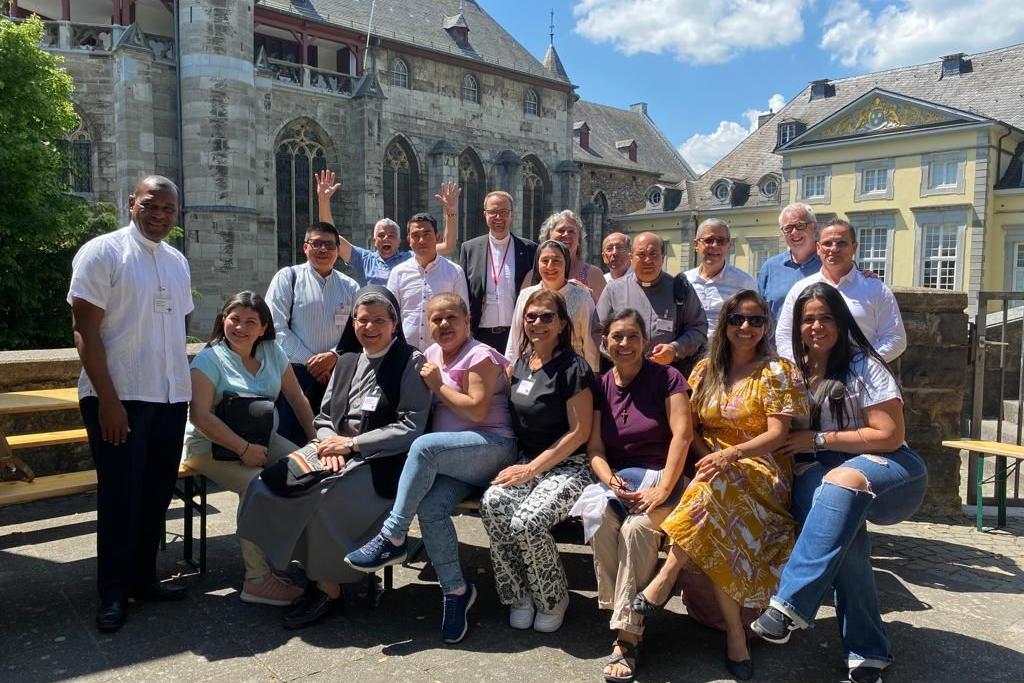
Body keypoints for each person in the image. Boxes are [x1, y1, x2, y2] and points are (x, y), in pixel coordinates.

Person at [751, 283, 927, 683]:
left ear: (841, 321)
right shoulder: (793, 371)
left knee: (841, 480)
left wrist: (818, 439)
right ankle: (867, 653)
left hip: (891, 469)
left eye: (825, 317)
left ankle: (790, 604)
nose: (816, 326)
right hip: (822, 471)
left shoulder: (865, 366)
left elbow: (890, 435)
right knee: (846, 543)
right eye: (808, 319)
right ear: (796, 327)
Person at [632, 290, 808, 681]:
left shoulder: (777, 371)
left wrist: (730, 456)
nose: (746, 327)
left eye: (756, 320)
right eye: (737, 319)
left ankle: (662, 581)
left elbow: (778, 434)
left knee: (716, 488)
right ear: (725, 323)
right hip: (713, 471)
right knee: (717, 506)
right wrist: (708, 455)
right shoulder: (705, 369)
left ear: (765, 326)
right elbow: (691, 428)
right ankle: (736, 637)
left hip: (761, 469)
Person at [237, 287, 431, 630]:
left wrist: (352, 445)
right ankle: (290, 566)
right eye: (362, 319)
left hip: (380, 459)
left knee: (323, 500)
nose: (369, 327)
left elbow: (412, 426)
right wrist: (328, 444)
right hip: (332, 448)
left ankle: (328, 587)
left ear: (394, 324)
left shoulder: (410, 361)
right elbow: (323, 418)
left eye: (378, 321)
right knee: (266, 484)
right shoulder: (346, 361)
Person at [344, 293, 517, 644]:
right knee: (430, 507)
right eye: (435, 319)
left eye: (451, 317)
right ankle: (455, 591)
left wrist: (438, 384)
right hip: (451, 460)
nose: (443, 325)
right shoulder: (431, 356)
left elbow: (477, 412)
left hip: (492, 450)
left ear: (467, 321)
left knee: (424, 447)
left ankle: (392, 535)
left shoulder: (480, 356)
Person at [68, 175, 193, 632]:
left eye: (168, 209)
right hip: (119, 398)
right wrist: (108, 400)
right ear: (131, 203)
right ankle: (113, 593)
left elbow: (176, 329)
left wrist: (182, 391)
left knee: (156, 496)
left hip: (168, 396)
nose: (159, 215)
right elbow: (84, 330)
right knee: (120, 497)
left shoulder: (178, 261)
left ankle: (144, 579)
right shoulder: (103, 252)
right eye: (150, 205)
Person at [184, 292, 316, 607]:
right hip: (210, 446)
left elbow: (297, 399)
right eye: (234, 319)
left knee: (309, 470)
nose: (240, 327)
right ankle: (256, 579)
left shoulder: (273, 351)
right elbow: (199, 416)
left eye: (250, 322)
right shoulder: (208, 360)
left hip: (263, 439)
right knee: (256, 484)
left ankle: (305, 557)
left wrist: (316, 441)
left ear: (263, 327)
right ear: (223, 321)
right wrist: (242, 449)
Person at [583, 309, 692, 683]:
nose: (624, 344)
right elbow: (595, 447)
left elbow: (683, 435)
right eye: (617, 337)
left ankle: (627, 637)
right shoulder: (600, 385)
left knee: (637, 531)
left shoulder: (668, 378)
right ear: (605, 342)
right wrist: (609, 479)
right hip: (621, 483)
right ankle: (626, 616)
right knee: (599, 522)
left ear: (645, 341)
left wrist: (662, 489)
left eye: (632, 336)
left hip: (665, 480)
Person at [479, 289, 595, 634]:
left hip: (570, 465)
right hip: (528, 462)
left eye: (547, 317)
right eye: (531, 317)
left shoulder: (574, 368)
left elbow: (579, 432)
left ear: (562, 324)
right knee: (493, 503)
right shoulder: (520, 363)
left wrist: (532, 469)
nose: (538, 323)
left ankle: (551, 597)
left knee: (527, 523)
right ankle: (519, 595)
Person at [265, 222, 359, 444]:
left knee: (334, 440)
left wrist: (334, 357)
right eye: (316, 243)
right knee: (292, 439)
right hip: (295, 375)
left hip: (338, 376)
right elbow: (276, 328)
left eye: (329, 245)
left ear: (338, 249)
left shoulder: (351, 287)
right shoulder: (288, 278)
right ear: (305, 247)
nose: (323, 250)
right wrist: (313, 362)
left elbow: (358, 332)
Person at [775, 218, 906, 363]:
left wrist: (862, 365)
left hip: (862, 380)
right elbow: (784, 335)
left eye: (841, 243)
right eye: (827, 244)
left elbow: (896, 338)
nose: (834, 249)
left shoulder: (875, 289)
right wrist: (800, 365)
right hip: (814, 379)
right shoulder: (800, 289)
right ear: (818, 248)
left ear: (854, 247)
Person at [315, 169, 460, 285]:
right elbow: (331, 237)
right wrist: (323, 200)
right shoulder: (363, 259)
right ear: (373, 241)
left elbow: (448, 246)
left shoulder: (411, 257)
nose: (386, 239)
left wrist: (451, 211)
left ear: (400, 241)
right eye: (381, 235)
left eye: (391, 236)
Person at [596, 232, 707, 376]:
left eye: (654, 254)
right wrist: (620, 355)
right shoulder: (614, 290)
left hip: (667, 375)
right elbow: (597, 330)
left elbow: (698, 328)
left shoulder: (680, 289)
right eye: (641, 255)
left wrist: (675, 348)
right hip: (624, 375)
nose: (647, 260)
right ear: (631, 257)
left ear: (663, 257)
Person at [458, 190, 538, 352]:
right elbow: (464, 292)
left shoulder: (529, 249)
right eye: (493, 212)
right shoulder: (470, 248)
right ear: (485, 214)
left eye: (504, 212)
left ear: (512, 215)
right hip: (481, 335)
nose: (498, 217)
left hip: (518, 333)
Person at [505, 240, 600, 370]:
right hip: (532, 368)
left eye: (556, 261)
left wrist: (592, 372)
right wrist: (511, 367)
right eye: (545, 261)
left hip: (571, 370)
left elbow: (590, 342)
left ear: (566, 264)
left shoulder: (582, 297)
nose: (550, 266)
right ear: (537, 264)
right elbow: (516, 337)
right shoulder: (525, 296)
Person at [386, 212, 470, 351]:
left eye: (427, 234)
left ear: (437, 237)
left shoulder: (454, 272)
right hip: (406, 351)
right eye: (415, 236)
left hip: (444, 351)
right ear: (408, 239)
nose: (421, 240)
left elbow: (464, 314)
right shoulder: (398, 273)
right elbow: (390, 313)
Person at [685, 218, 755, 337]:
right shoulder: (684, 281)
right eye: (709, 240)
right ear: (696, 245)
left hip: (726, 353)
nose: (715, 245)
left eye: (721, 241)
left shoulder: (744, 283)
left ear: (729, 246)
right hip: (688, 352)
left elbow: (754, 324)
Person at [757, 203, 823, 322]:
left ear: (814, 227)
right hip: (778, 340)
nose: (794, 232)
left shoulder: (829, 263)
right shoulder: (770, 267)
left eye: (800, 225)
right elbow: (759, 312)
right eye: (788, 228)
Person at [532, 210, 606, 302]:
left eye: (571, 231)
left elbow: (604, 313)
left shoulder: (593, 274)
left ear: (579, 240)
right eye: (561, 230)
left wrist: (586, 294)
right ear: (548, 237)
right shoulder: (533, 275)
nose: (566, 234)